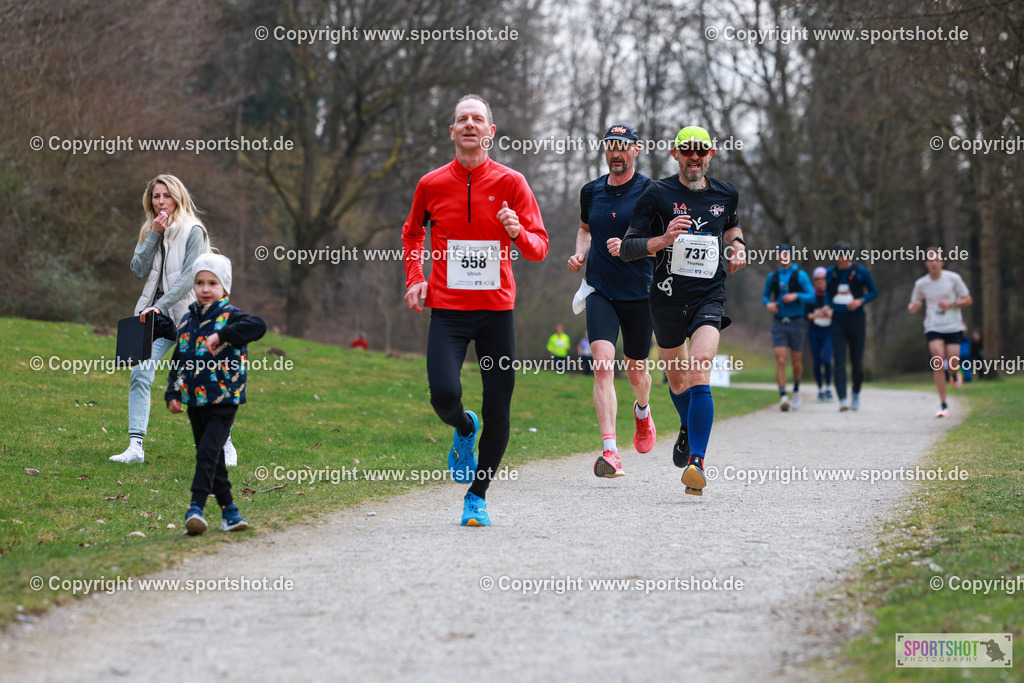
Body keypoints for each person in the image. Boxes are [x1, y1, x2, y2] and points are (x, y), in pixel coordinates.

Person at [402, 94, 548, 526]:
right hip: (447, 309)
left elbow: (539, 249)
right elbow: (412, 235)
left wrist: (518, 232)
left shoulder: (512, 183)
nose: (469, 124)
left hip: (495, 311)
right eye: (462, 119)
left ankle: (477, 495)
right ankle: (463, 427)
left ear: (490, 131)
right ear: (452, 132)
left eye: (477, 119)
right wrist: (415, 278)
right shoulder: (430, 184)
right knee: (444, 394)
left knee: (499, 408)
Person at [610, 125, 747, 496]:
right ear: (675, 155)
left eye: (701, 151)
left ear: (711, 155)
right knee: (677, 380)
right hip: (666, 297)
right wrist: (665, 239)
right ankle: (687, 427)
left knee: (700, 367)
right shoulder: (657, 193)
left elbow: (731, 227)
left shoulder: (726, 194)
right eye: (687, 150)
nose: (694, 157)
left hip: (709, 296)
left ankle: (697, 462)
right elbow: (628, 246)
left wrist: (738, 247)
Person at [110, 175, 237, 468]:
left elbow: (190, 278)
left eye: (166, 195)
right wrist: (153, 234)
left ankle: (225, 443)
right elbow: (138, 269)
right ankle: (135, 447)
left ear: (178, 197)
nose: (161, 201)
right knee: (140, 373)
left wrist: (160, 305)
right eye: (156, 196)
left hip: (190, 317)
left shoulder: (194, 230)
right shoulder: (149, 230)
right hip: (156, 317)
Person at [567, 123, 655, 478]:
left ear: (636, 149)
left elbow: (663, 237)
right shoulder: (591, 191)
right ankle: (610, 450)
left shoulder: (651, 191)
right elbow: (586, 229)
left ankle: (643, 412)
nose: (616, 152)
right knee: (603, 364)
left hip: (640, 292)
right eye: (610, 146)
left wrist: (632, 248)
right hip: (600, 288)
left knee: (636, 371)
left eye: (623, 146)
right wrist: (578, 254)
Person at [165, 254, 266, 535]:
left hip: (224, 397)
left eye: (212, 282)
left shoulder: (232, 316)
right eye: (199, 283)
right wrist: (173, 391)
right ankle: (230, 514)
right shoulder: (187, 321)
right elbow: (179, 359)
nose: (205, 288)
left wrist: (223, 336)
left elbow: (259, 326)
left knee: (207, 453)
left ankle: (194, 508)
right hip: (195, 400)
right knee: (212, 458)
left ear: (225, 288)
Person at [908, 247, 972, 417]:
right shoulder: (921, 284)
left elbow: (968, 299)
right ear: (926, 263)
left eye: (937, 259)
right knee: (937, 360)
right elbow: (913, 303)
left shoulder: (953, 279)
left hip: (953, 326)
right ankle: (943, 404)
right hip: (933, 326)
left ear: (942, 261)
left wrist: (952, 304)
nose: (934, 263)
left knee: (952, 362)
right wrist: (912, 306)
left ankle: (953, 373)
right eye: (930, 260)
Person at [824, 241, 878, 412]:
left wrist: (860, 301)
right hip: (837, 319)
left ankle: (855, 393)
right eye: (837, 256)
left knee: (856, 362)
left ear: (849, 256)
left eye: (843, 256)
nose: (840, 260)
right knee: (839, 360)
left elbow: (873, 292)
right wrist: (827, 306)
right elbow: (826, 294)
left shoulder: (860, 271)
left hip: (856, 319)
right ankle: (842, 399)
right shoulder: (830, 273)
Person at [761, 244, 815, 411]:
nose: (783, 257)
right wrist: (768, 304)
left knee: (796, 361)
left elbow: (812, 296)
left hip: (796, 321)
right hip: (779, 322)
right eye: (781, 254)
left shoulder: (800, 275)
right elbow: (765, 296)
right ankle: (783, 396)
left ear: (791, 257)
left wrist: (796, 295)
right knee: (781, 359)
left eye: (786, 254)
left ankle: (797, 390)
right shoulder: (773, 277)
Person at [806, 266, 834, 402]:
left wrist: (830, 314)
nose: (821, 281)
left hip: (828, 331)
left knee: (827, 360)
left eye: (823, 278)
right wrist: (816, 314)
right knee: (817, 361)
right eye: (818, 279)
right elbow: (806, 315)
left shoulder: (832, 294)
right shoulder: (811, 295)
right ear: (814, 280)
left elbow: (839, 312)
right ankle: (820, 390)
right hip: (814, 331)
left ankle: (828, 388)